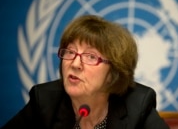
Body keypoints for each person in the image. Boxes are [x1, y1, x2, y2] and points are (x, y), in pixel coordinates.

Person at [1, 15, 169, 129]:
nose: (75, 64)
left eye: (90, 57)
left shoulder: (137, 105)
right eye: (70, 52)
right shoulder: (45, 99)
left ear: (113, 73)